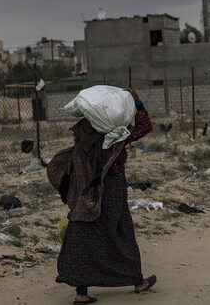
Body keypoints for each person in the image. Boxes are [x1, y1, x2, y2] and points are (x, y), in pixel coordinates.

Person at [49, 88, 157, 304]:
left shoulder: (84, 135)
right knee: (120, 232)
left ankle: (81, 292)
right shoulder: (117, 136)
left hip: (87, 194)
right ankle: (137, 282)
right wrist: (137, 102)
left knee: (84, 235)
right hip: (113, 189)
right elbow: (145, 127)